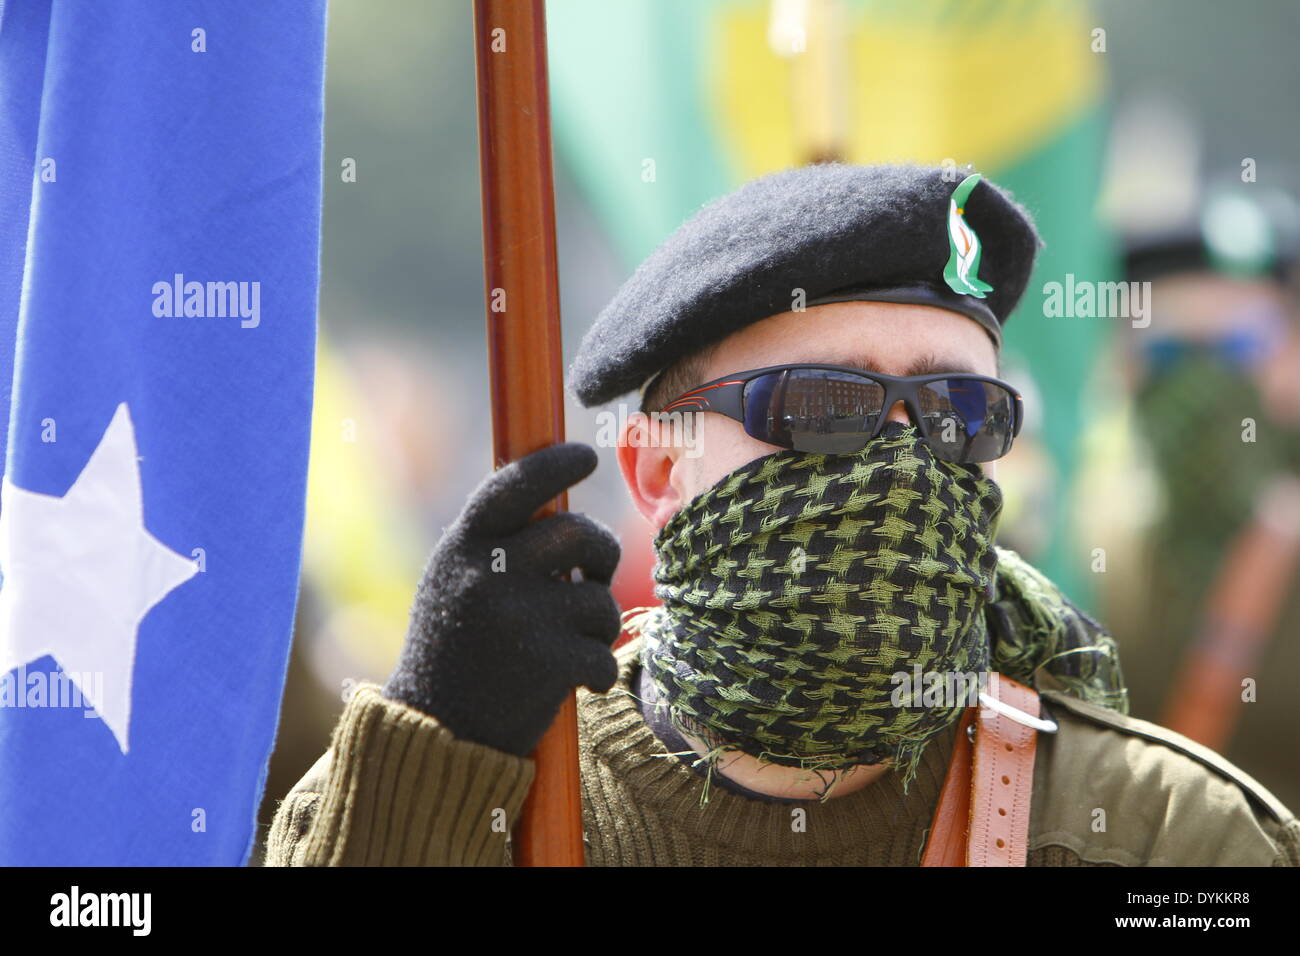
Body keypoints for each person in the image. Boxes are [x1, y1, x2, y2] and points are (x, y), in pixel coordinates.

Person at [265, 163, 1299, 867]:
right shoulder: (503, 804)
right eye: (823, 407)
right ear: (657, 472)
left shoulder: (1161, 831)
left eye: (958, 411)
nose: (902, 458)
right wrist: (429, 752)